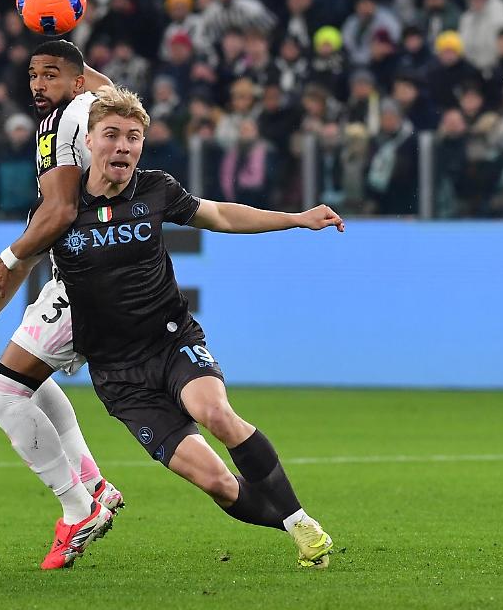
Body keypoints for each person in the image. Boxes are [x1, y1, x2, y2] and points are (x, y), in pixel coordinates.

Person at [49, 85, 342, 568]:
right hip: (119, 376)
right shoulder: (61, 205)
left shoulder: (155, 189)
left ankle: (301, 522)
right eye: (112, 135)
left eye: (133, 137)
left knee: (216, 414)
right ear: (89, 140)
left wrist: (295, 218)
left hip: (170, 341)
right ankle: (289, 523)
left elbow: (221, 214)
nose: (123, 146)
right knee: (218, 483)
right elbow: (20, 260)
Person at [0, 41, 121, 570]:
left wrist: (6, 256)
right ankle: (93, 483)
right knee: (31, 381)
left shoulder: (63, 124)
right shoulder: (93, 110)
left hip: (90, 282)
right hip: (87, 275)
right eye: (32, 75)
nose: (38, 85)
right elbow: (39, 238)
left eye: (50, 75)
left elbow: (56, 216)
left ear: (75, 83)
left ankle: (78, 508)